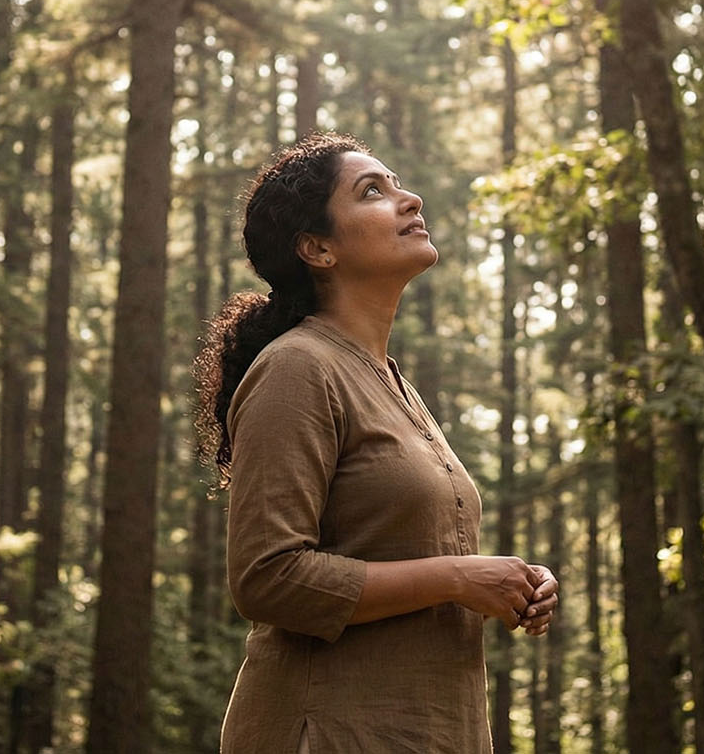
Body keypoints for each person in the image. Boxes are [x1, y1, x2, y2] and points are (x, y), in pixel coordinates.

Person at [195, 132, 560, 753]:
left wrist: (514, 585)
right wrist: (456, 577)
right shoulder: (298, 367)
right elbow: (267, 577)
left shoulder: (391, 381)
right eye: (373, 191)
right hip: (329, 732)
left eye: (398, 184)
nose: (409, 199)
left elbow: (404, 550)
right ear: (317, 248)